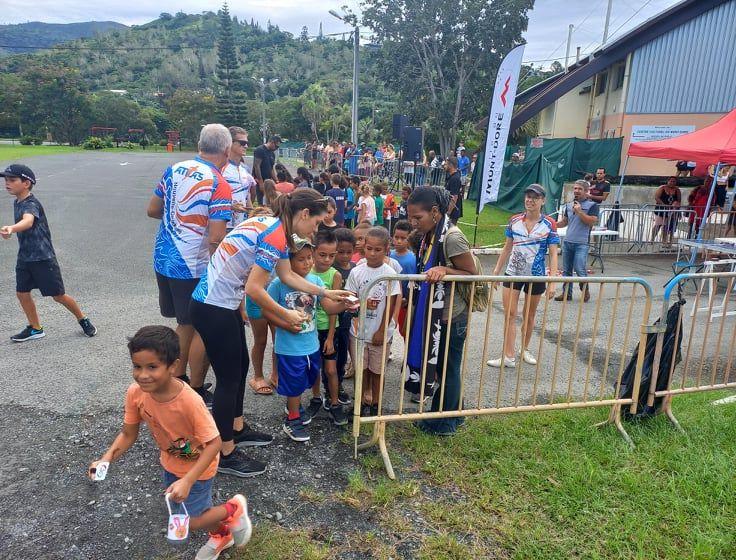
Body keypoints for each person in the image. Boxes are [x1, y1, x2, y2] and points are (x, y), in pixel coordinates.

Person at [189, 190, 350, 476]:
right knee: (228, 380)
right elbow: (254, 288)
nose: (316, 230)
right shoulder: (274, 234)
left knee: (239, 368)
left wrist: (325, 291)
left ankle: (236, 428)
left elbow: (288, 276)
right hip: (213, 306)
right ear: (303, 214)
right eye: (316, 223)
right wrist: (286, 313)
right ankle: (224, 452)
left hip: (219, 304)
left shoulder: (275, 227)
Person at [89, 326, 252, 560]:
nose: (142, 375)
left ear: (173, 366)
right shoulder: (135, 393)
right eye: (137, 366)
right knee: (186, 510)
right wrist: (105, 459)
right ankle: (222, 535)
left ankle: (232, 510)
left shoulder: (189, 402)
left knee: (191, 520)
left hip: (200, 467)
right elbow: (127, 434)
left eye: (152, 367)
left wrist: (187, 480)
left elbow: (215, 444)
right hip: (170, 462)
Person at [147, 124, 232, 404]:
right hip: (191, 264)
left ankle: (177, 378)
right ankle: (184, 384)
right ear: (227, 151)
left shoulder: (175, 169)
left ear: (199, 144)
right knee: (193, 326)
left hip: (163, 256)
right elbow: (217, 237)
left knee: (182, 322)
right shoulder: (219, 183)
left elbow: (153, 210)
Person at [404, 187, 477, 436]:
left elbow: (472, 274)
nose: (413, 223)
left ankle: (444, 423)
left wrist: (446, 271)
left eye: (417, 218)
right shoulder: (429, 235)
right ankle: (454, 415)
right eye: (410, 217)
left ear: (435, 212)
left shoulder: (452, 237)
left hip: (451, 315)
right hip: (436, 313)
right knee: (444, 367)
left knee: (448, 368)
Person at [1, 163, 97, 341]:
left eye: (12, 180)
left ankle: (83, 319)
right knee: (22, 293)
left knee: (58, 296)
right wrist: (11, 231)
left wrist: (12, 228)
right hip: (25, 257)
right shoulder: (18, 201)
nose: (7, 183)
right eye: (6, 180)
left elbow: (28, 221)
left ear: (26, 183)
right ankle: (36, 328)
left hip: (43, 258)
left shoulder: (31, 203)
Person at [268, 242, 349, 441]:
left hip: (311, 344)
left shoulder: (314, 282)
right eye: (300, 259)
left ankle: (293, 406)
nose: (307, 263)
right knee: (294, 383)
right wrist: (286, 325)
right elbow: (266, 311)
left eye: (309, 258)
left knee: (309, 377)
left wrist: (345, 305)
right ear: (287, 262)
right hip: (289, 347)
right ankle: (292, 419)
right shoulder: (278, 284)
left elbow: (329, 307)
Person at [489, 184, 559, 368]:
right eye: (528, 196)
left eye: (535, 197)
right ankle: (508, 355)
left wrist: (552, 282)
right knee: (510, 314)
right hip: (512, 273)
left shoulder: (549, 224)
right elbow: (507, 247)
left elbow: (553, 254)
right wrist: (496, 271)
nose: (530, 200)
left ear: (543, 201)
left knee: (529, 315)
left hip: (536, 276)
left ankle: (525, 349)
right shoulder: (514, 221)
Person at [346, 227, 402, 416]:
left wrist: (381, 331)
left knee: (377, 371)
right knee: (361, 370)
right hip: (359, 332)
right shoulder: (357, 272)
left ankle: (376, 405)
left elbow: (391, 303)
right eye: (369, 248)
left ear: (387, 248)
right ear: (364, 247)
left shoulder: (389, 273)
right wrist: (355, 314)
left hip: (380, 332)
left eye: (377, 249)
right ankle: (361, 402)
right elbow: (351, 297)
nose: (372, 253)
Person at [310, 230, 349, 425]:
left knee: (331, 370)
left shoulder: (335, 275)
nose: (327, 260)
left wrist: (330, 337)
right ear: (314, 251)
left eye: (331, 256)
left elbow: (334, 311)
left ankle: (334, 403)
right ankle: (316, 398)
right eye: (322, 254)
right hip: (310, 329)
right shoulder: (306, 273)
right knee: (314, 368)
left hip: (328, 330)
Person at [555, 180, 598, 302]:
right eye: (575, 188)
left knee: (579, 268)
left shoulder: (592, 206)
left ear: (585, 191)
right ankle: (566, 294)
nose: (576, 191)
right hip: (568, 241)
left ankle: (585, 290)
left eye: (579, 189)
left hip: (582, 243)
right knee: (566, 270)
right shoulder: (569, 205)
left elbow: (591, 222)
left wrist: (579, 212)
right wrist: (552, 224)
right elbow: (565, 222)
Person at [333, 227, 356, 387]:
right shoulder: (329, 270)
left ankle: (339, 384)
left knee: (343, 354)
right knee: (330, 355)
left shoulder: (356, 269)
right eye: (340, 252)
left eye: (349, 252)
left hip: (349, 321)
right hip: (331, 320)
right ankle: (330, 384)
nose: (345, 256)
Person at [223, 127, 255, 230]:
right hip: (224, 225)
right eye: (242, 143)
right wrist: (231, 206)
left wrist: (252, 213)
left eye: (246, 143)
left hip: (241, 225)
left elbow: (247, 194)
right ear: (230, 143)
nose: (246, 146)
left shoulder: (244, 169)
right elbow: (210, 198)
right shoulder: (220, 168)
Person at [390, 220, 417, 337]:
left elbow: (413, 281)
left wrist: (407, 299)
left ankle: (409, 354)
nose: (399, 241)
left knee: (405, 331)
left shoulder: (413, 258)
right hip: (389, 300)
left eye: (403, 238)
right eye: (396, 237)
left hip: (405, 302)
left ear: (409, 239)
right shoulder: (388, 255)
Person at [652, 176, 681, 248]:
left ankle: (664, 241)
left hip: (671, 211)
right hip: (660, 210)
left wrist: (677, 209)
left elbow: (678, 200)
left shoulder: (677, 190)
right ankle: (652, 240)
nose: (672, 183)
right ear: (668, 181)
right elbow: (656, 197)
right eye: (671, 181)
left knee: (666, 227)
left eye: (674, 181)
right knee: (658, 225)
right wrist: (664, 205)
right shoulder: (662, 188)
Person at [252, 135, 281, 205]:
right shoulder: (260, 150)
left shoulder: (272, 153)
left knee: (269, 200)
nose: (276, 149)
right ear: (271, 142)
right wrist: (261, 182)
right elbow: (257, 166)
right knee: (261, 201)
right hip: (259, 180)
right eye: (276, 146)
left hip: (268, 181)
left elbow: (271, 168)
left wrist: (276, 181)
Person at [444, 156, 463, 224]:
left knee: (450, 232)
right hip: (448, 209)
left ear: (451, 165)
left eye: (446, 164)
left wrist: (448, 213)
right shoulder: (451, 177)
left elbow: (454, 197)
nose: (444, 166)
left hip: (452, 212)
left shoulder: (455, 179)